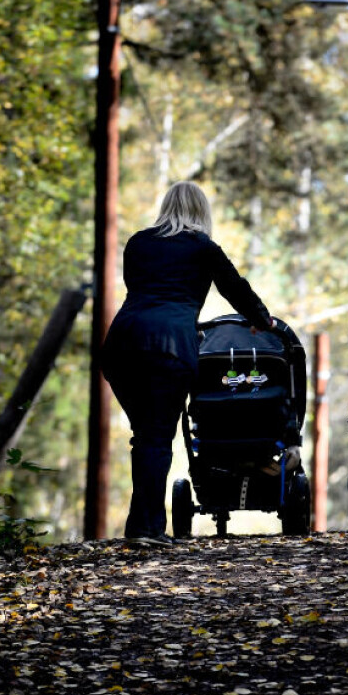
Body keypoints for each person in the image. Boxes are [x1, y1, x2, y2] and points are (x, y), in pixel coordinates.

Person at [102, 180, 274, 547]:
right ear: (201, 212)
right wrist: (262, 319)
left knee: (146, 436)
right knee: (156, 438)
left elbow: (143, 289)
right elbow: (234, 287)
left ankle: (142, 525)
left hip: (120, 345)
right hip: (167, 349)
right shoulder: (202, 247)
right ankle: (145, 530)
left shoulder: (138, 243)